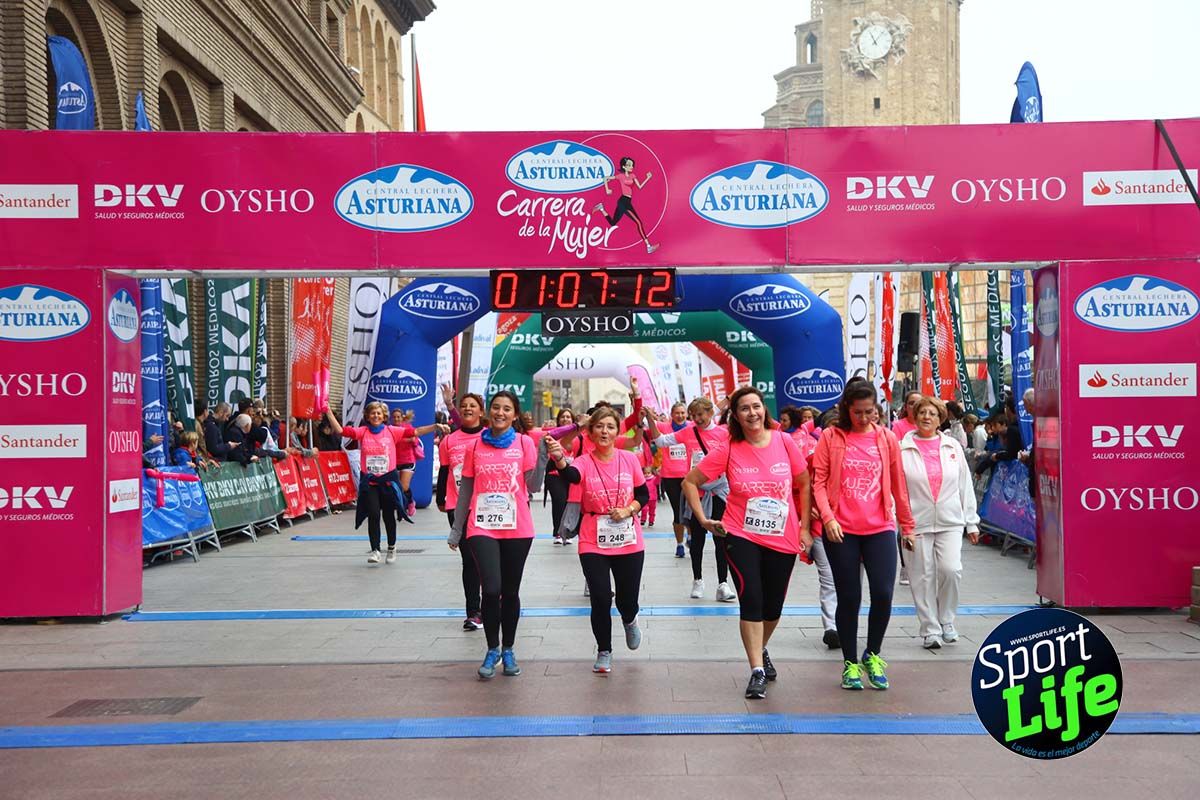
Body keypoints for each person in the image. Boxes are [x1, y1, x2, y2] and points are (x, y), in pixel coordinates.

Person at [683, 386, 810, 699]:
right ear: (735, 416)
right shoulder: (728, 448)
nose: (752, 413)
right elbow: (690, 481)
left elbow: (804, 481)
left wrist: (805, 526)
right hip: (741, 534)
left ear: (763, 410)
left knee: (773, 606)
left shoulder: (784, 441)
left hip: (783, 535)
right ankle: (756, 669)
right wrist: (702, 519)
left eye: (756, 406)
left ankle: (761, 647)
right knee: (751, 597)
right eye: (744, 409)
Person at [812, 381, 916, 691]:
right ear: (846, 409)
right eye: (857, 412)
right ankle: (850, 663)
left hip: (880, 526)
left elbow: (898, 484)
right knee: (850, 597)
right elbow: (818, 482)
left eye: (869, 411)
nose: (864, 418)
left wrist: (907, 526)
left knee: (884, 593)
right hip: (841, 529)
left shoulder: (886, 438)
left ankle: (873, 655)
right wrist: (828, 518)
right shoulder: (831, 437)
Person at [448, 391, 546, 680]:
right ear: (488, 412)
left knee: (510, 592)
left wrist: (542, 458)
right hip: (482, 526)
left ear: (514, 414)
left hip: (517, 527)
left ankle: (509, 649)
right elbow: (465, 489)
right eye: (496, 408)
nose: (500, 412)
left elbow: (535, 486)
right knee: (491, 589)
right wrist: (457, 530)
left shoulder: (524, 442)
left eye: (506, 409)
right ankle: (492, 648)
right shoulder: (475, 445)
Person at [547, 407, 650, 674]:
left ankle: (629, 619)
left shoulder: (629, 459)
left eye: (610, 427)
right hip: (593, 537)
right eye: (599, 427)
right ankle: (604, 650)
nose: (605, 431)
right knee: (601, 597)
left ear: (618, 432)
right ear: (591, 432)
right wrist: (559, 459)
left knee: (627, 599)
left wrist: (629, 509)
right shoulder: (583, 460)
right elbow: (572, 475)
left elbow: (643, 494)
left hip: (628, 537)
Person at [898, 396, 980, 649]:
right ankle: (930, 629)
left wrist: (972, 522)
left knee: (950, 569)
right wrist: (900, 522)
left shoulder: (952, 446)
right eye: (922, 412)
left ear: (940, 418)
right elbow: (896, 488)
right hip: (916, 523)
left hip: (950, 520)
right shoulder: (902, 448)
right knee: (921, 576)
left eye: (932, 413)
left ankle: (947, 620)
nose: (926, 417)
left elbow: (965, 485)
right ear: (914, 415)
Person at [324, 404, 447, 565]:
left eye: (378, 413)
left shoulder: (391, 431)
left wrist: (436, 426)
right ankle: (375, 550)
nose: (375, 416)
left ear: (383, 417)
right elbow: (341, 431)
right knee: (374, 514)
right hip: (370, 481)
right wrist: (328, 412)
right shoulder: (363, 432)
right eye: (372, 413)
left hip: (388, 480)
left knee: (388, 515)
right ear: (367, 417)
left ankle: (391, 547)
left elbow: (416, 431)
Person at [652, 397, 735, 602]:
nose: (697, 419)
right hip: (696, 491)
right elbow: (661, 441)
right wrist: (649, 421)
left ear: (710, 413)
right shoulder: (688, 432)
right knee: (697, 538)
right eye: (694, 415)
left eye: (701, 414)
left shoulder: (724, 433)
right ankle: (697, 580)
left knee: (721, 538)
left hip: (719, 491)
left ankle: (723, 584)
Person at [436, 392, 487, 632]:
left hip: (487, 507)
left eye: (472, 406)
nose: (467, 409)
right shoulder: (449, 440)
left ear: (481, 412)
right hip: (457, 507)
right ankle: (474, 612)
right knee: (469, 560)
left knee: (486, 560)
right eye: (463, 405)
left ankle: (493, 598)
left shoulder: (488, 438)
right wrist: (440, 499)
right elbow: (445, 470)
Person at [591, 156, 659, 254]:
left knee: (613, 223)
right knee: (639, 223)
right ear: (624, 166)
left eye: (632, 165)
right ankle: (648, 246)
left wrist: (647, 178)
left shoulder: (633, 176)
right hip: (623, 201)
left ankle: (601, 208)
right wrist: (607, 189)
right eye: (628, 165)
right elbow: (605, 178)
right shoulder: (620, 176)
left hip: (627, 201)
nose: (631, 167)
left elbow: (639, 186)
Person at [651, 402, 691, 558]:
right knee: (678, 512)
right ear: (671, 414)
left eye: (683, 413)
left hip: (690, 476)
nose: (680, 416)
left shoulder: (692, 426)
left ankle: (691, 537)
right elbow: (647, 421)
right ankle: (679, 544)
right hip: (670, 476)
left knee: (692, 510)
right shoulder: (664, 426)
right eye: (677, 413)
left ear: (686, 414)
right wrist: (637, 400)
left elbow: (711, 415)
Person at [543, 407, 582, 546]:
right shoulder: (554, 435)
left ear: (573, 420)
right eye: (563, 417)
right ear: (558, 420)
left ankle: (568, 531)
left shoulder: (579, 437)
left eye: (568, 417)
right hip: (554, 474)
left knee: (569, 502)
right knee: (559, 501)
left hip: (571, 473)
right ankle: (558, 533)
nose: (565, 419)